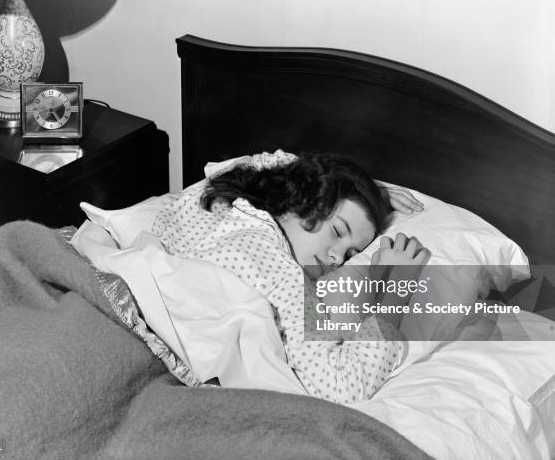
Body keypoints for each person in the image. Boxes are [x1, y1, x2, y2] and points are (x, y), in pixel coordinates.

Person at [152, 150, 430, 406]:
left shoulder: (220, 199)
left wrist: (359, 188)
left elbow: (264, 162)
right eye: (337, 231)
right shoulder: (283, 275)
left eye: (350, 254)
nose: (336, 258)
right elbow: (342, 387)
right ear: (303, 198)